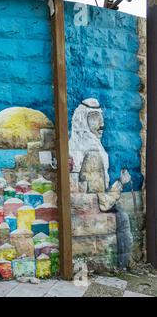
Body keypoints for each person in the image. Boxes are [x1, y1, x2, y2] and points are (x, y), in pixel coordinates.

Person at [69, 98, 133, 268]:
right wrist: (120, 183)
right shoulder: (92, 154)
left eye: (100, 117)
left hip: (83, 208)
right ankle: (122, 265)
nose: (102, 124)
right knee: (123, 217)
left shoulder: (78, 147)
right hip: (88, 210)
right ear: (84, 119)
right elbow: (101, 201)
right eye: (96, 117)